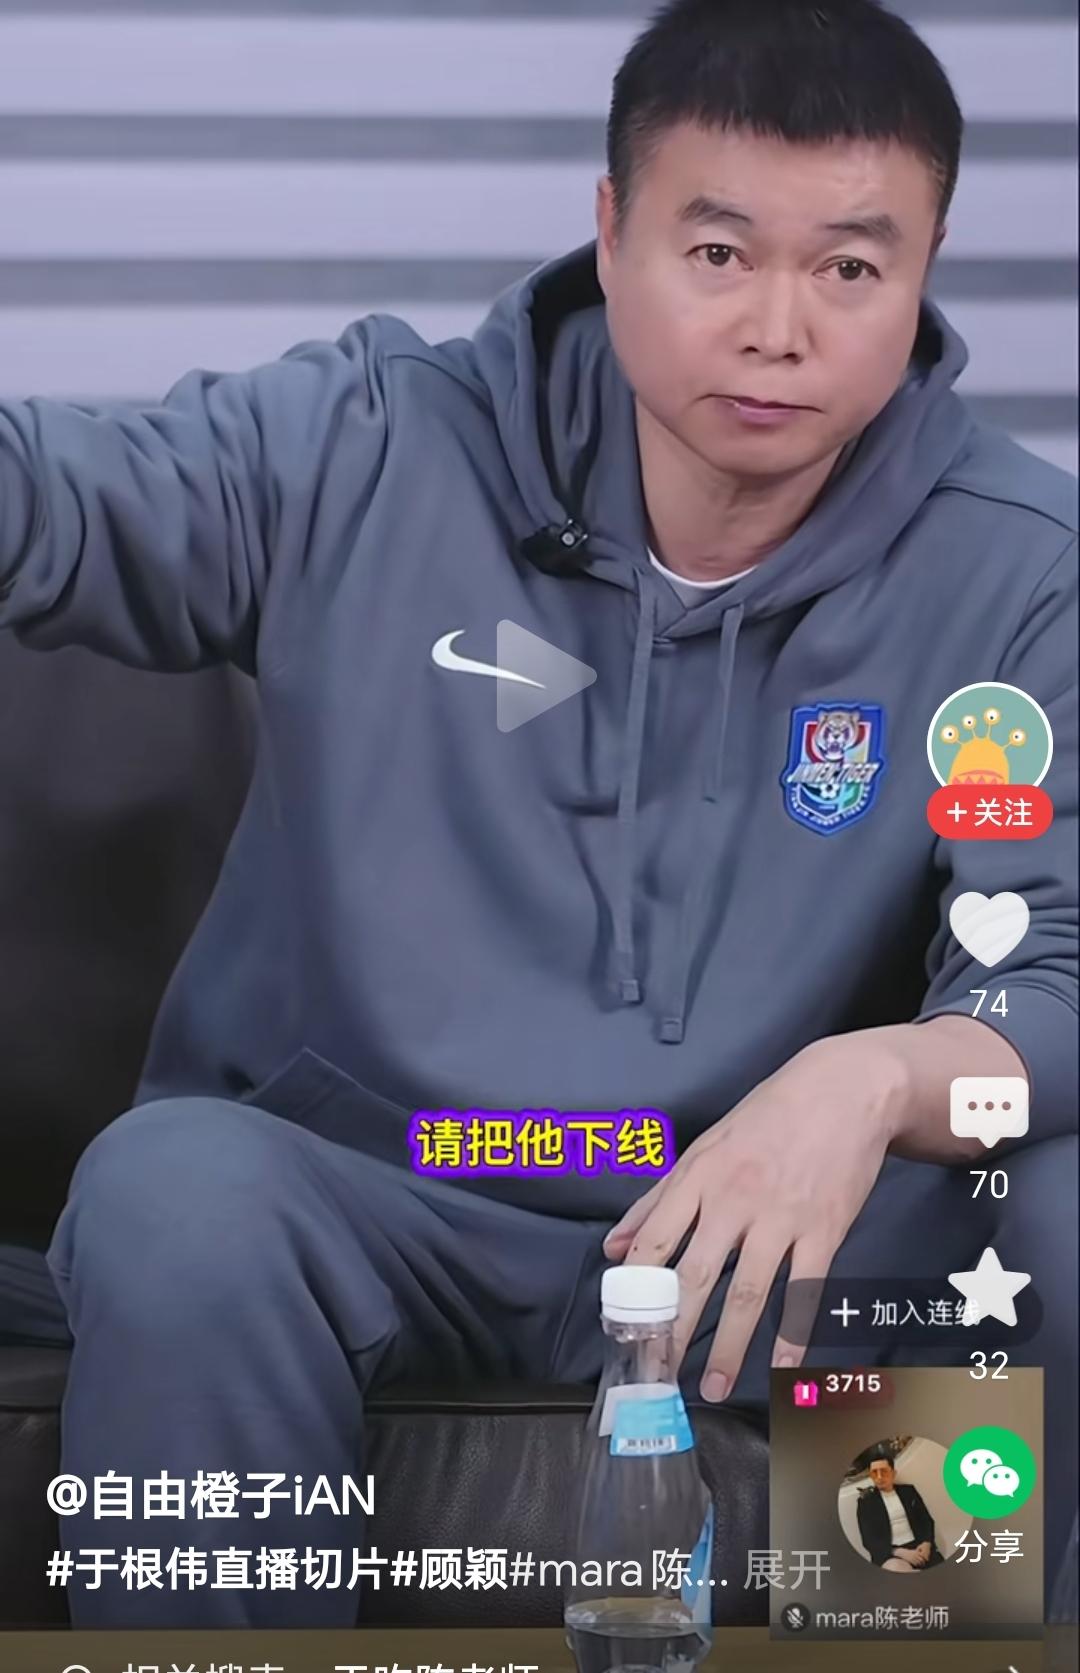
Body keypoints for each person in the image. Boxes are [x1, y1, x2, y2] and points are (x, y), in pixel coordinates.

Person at [0, 0, 1075, 1630]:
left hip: (747, 1230)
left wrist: (872, 1079)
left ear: (927, 268)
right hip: (385, 1191)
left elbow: (1055, 976)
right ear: (611, 230)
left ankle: (911, 1634)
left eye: (852, 268)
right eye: (718, 253)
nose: (780, 328)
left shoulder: (1019, 571)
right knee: (178, 1191)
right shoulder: (367, 445)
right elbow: (59, 499)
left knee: (1051, 1200)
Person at [855, 1450, 945, 1572]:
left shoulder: (909, 1491)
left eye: (884, 1471)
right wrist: (899, 1552)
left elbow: (926, 1520)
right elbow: (868, 1540)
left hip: (918, 1546)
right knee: (896, 1569)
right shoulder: (866, 1502)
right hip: (890, 1554)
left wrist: (927, 1543)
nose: (879, 1477)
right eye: (874, 1473)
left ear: (893, 1473)